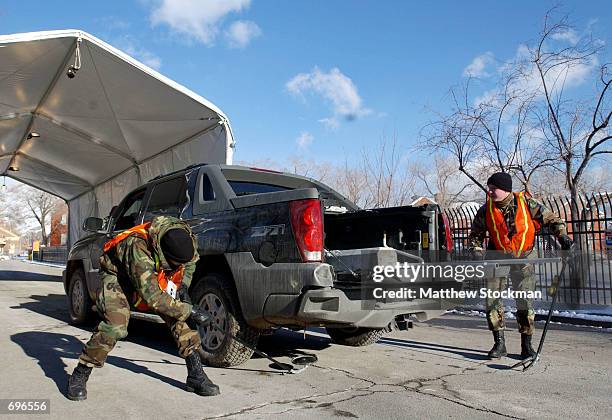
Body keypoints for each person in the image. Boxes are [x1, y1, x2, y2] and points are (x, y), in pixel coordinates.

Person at [67, 216, 219, 400]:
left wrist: (183, 286)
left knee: (180, 316)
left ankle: (196, 375)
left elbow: (190, 264)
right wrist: (190, 310)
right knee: (115, 326)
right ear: (163, 253)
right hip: (119, 277)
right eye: (173, 263)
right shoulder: (137, 247)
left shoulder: (185, 237)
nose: (177, 266)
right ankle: (81, 373)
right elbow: (153, 297)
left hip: (152, 274)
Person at [468, 172, 574, 360]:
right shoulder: (486, 210)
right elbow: (475, 235)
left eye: (494, 189)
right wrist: (476, 252)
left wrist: (563, 237)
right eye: (489, 188)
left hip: (524, 258)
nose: (490, 192)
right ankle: (499, 344)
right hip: (497, 257)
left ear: (505, 189)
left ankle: (527, 346)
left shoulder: (527, 204)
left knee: (525, 300)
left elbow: (552, 220)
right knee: (492, 300)